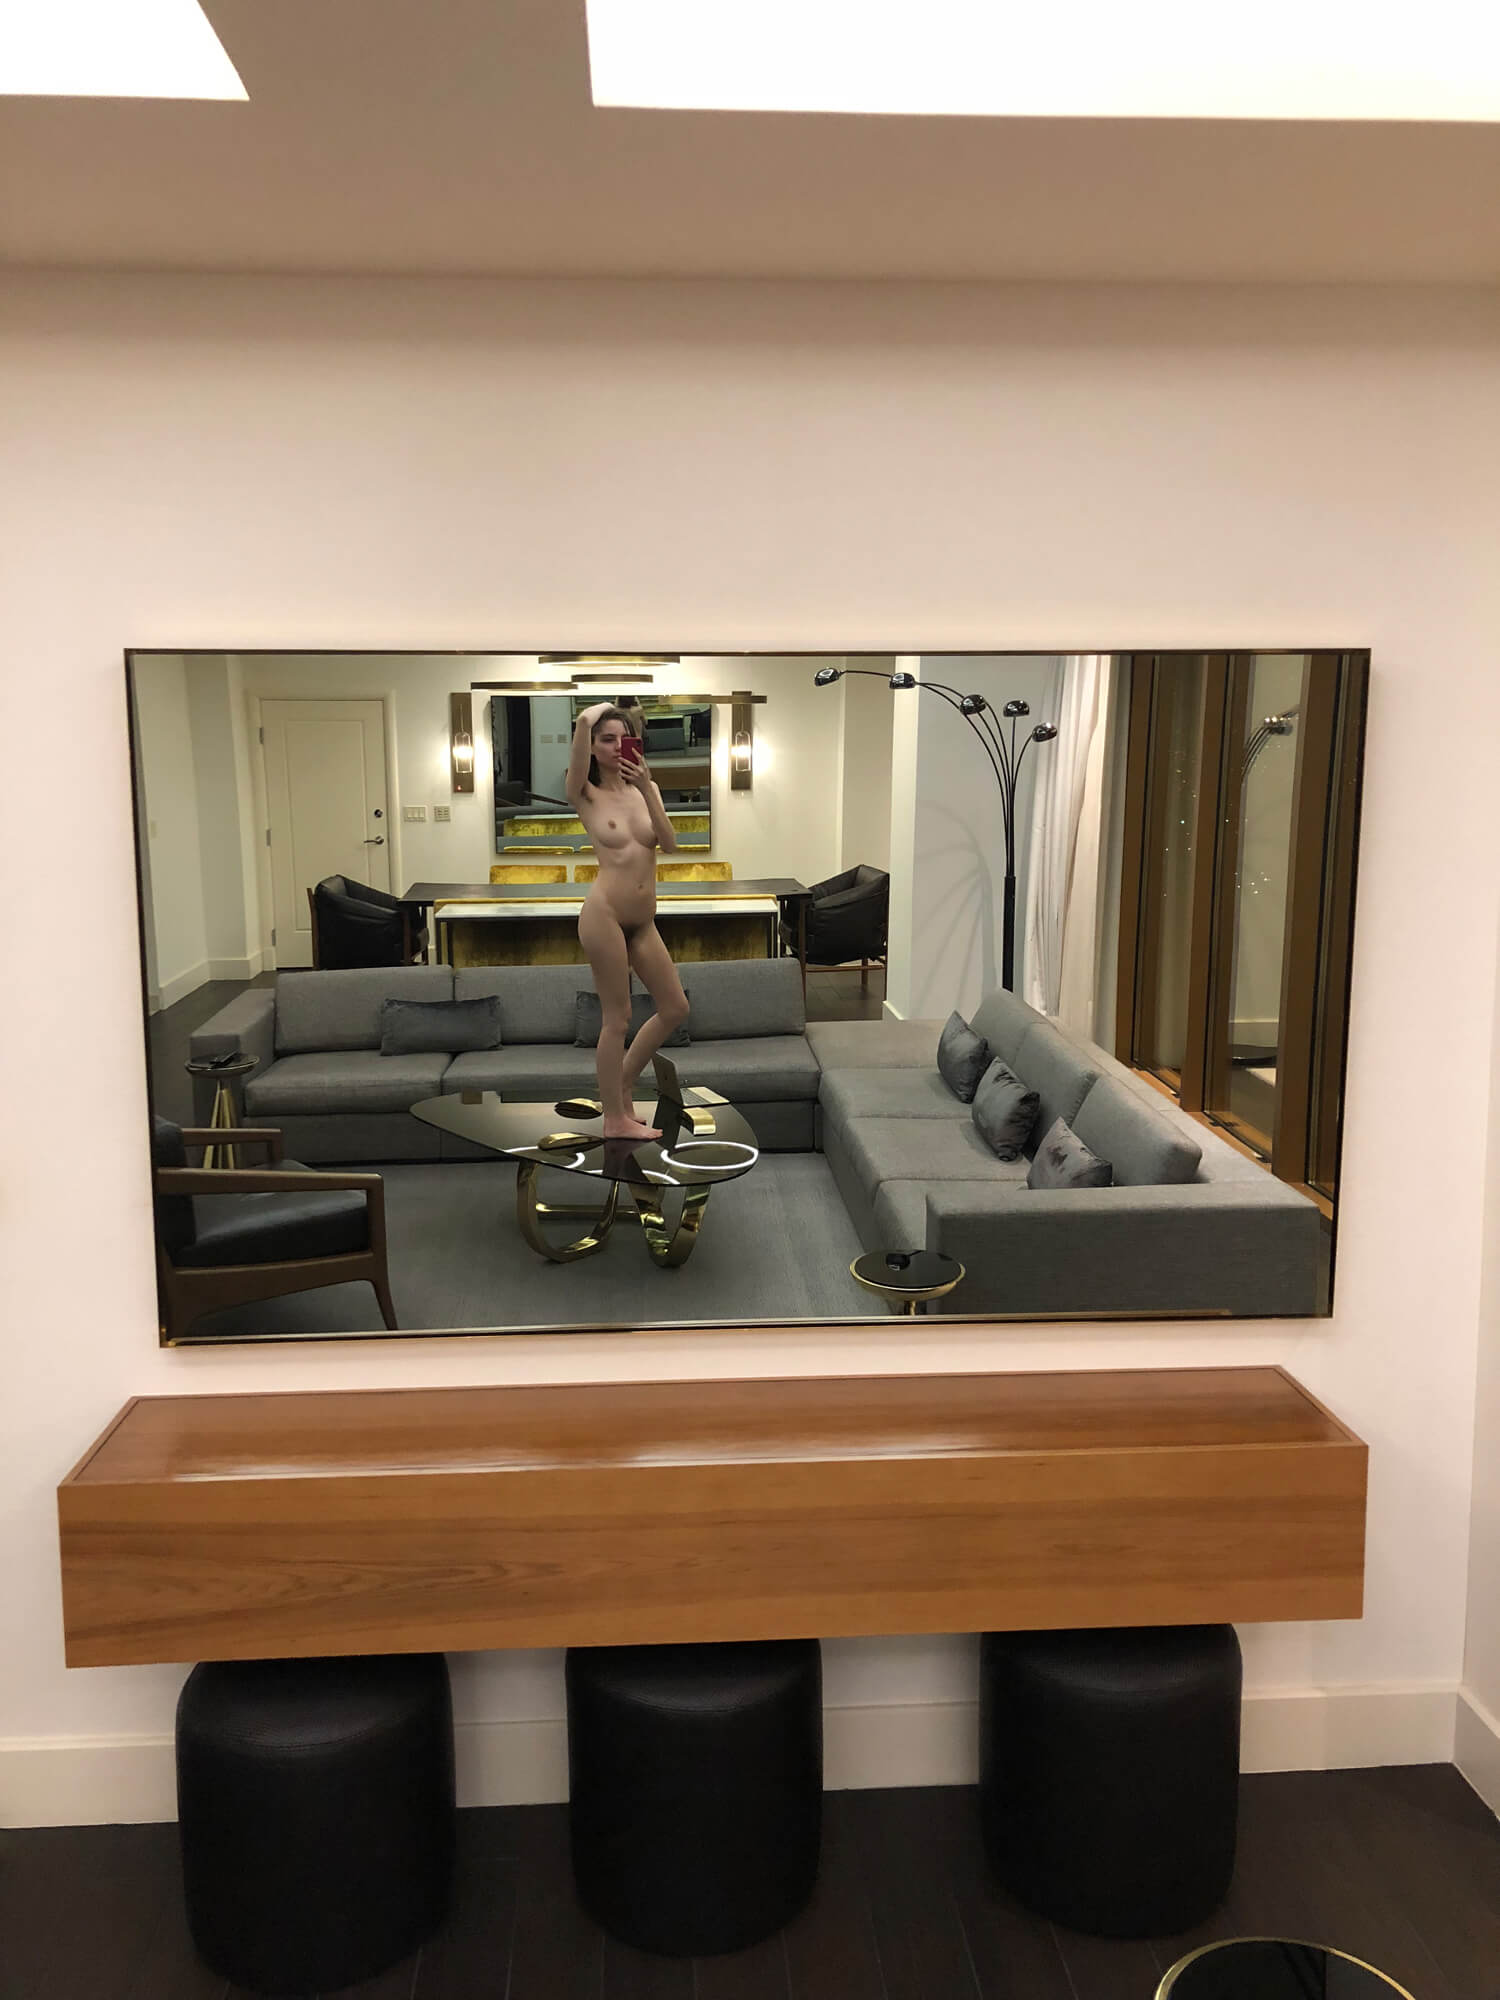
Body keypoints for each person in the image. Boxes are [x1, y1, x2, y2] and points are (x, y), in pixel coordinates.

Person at [566, 701, 689, 1141]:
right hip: (605, 915)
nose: (618, 746)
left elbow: (670, 844)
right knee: (617, 1018)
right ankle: (614, 1119)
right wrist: (590, 715)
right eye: (606, 739)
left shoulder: (645, 789)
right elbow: (583, 729)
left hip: (643, 922)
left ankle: (620, 1086)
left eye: (624, 737)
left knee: (675, 1007)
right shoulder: (585, 793)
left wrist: (648, 787)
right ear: (592, 747)